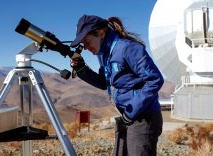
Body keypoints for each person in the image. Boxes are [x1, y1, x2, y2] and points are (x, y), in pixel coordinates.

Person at [70, 14, 164, 156]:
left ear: (101, 33)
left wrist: (132, 111)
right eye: (83, 43)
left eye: (87, 41)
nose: (86, 47)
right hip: (129, 117)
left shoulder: (127, 49)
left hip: (143, 118)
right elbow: (103, 82)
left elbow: (155, 79)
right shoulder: (104, 54)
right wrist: (82, 69)